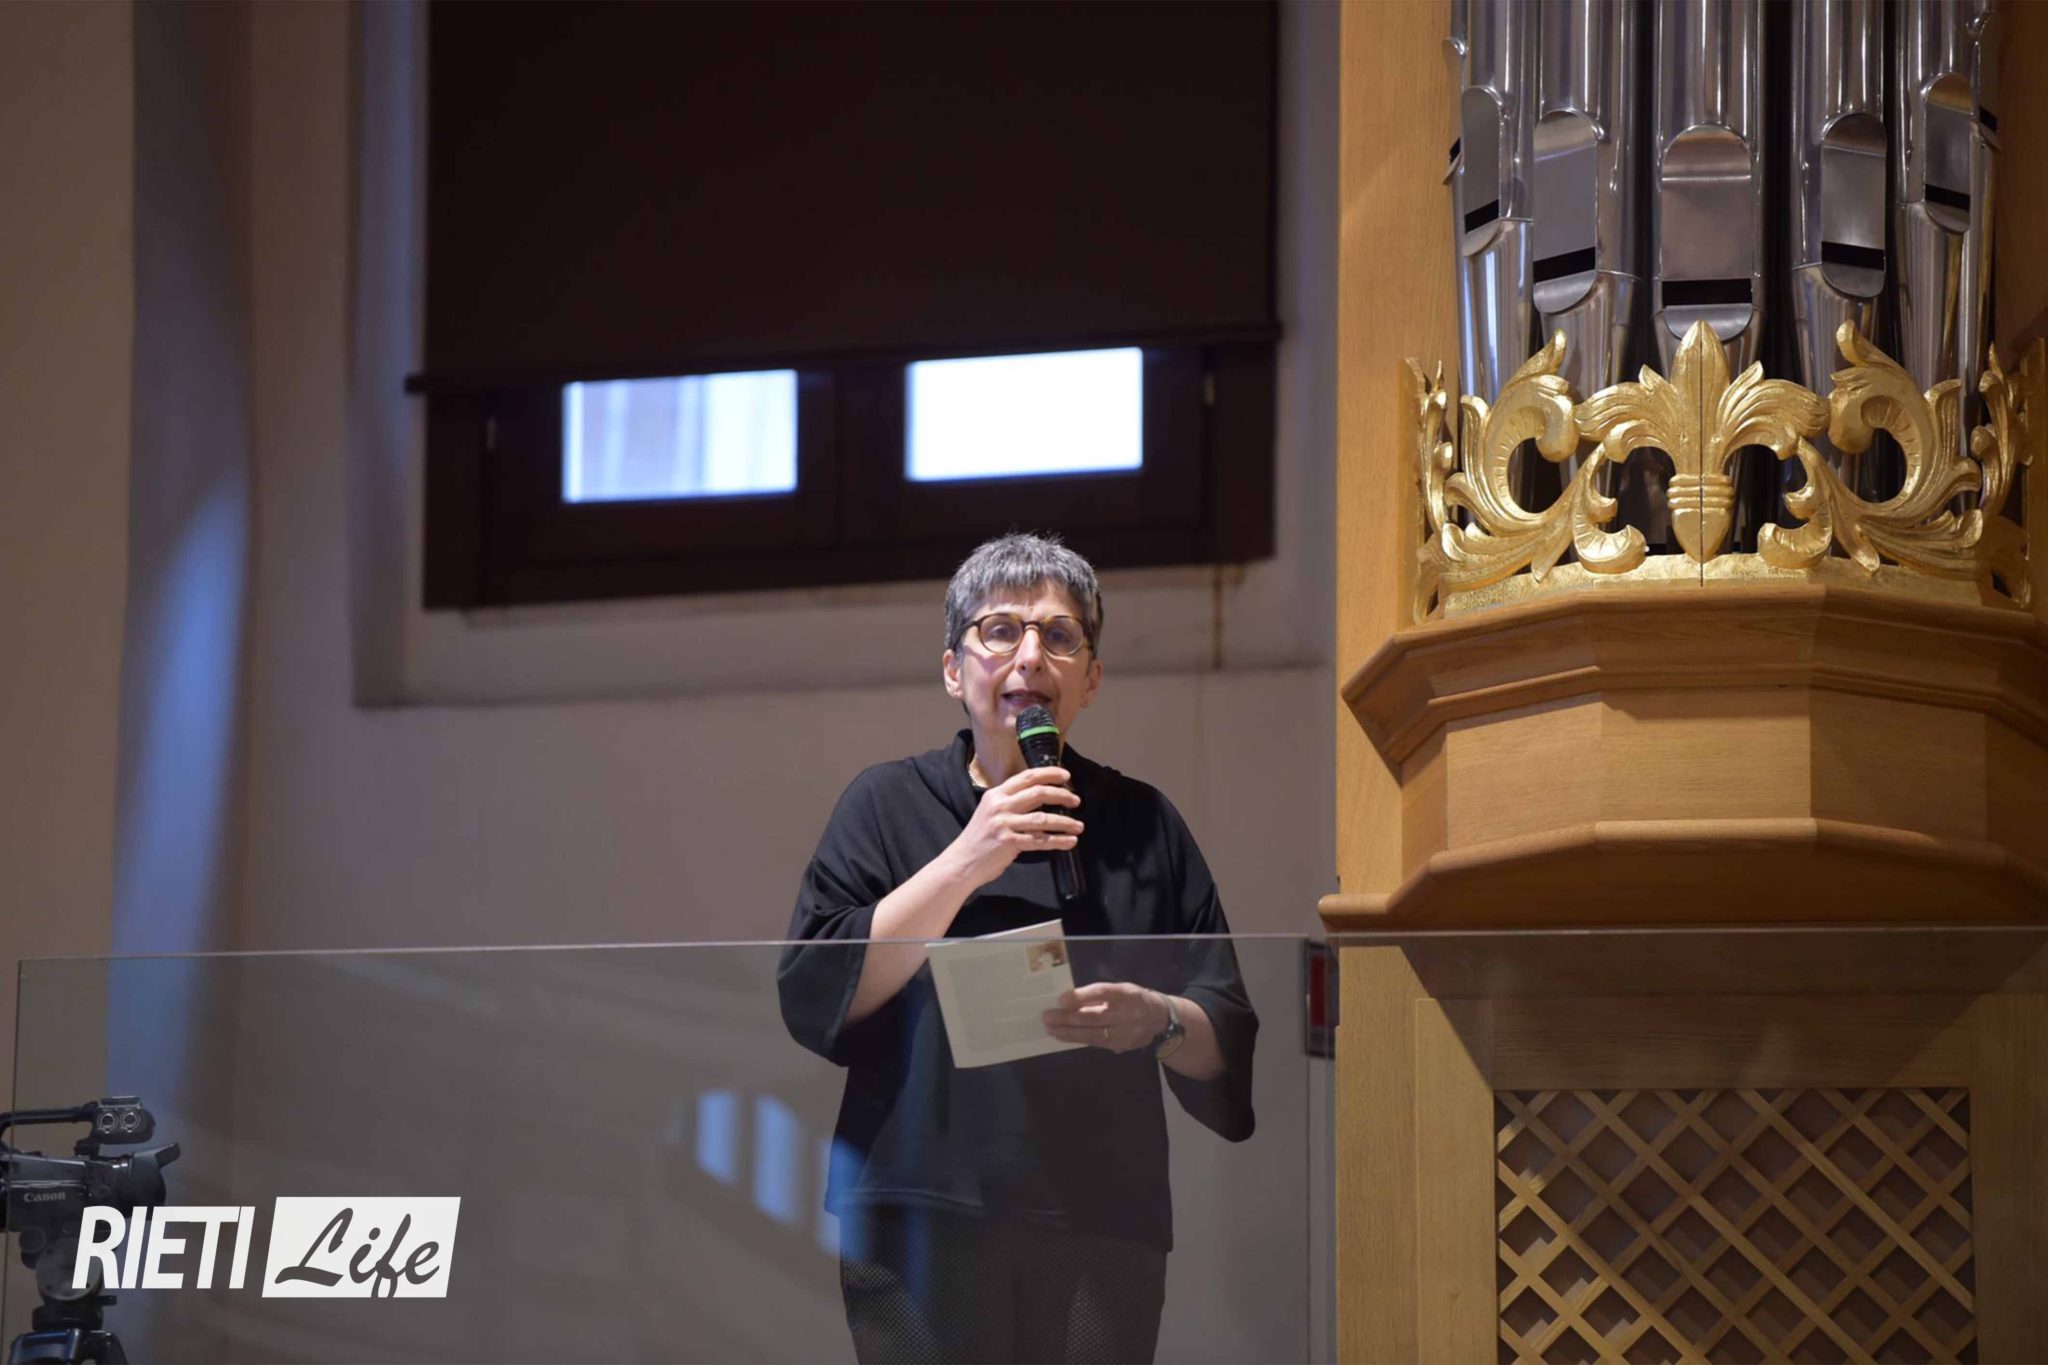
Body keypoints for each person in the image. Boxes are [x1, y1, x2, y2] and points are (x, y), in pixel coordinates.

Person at [778, 532, 1258, 1365]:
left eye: (1059, 635)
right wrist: (970, 855)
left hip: (1101, 1220)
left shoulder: (1145, 823)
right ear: (953, 670)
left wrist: (1159, 1020)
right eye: (1000, 630)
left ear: (1091, 679)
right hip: (921, 1213)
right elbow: (817, 986)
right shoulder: (885, 805)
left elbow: (1226, 1028)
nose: (1030, 655)